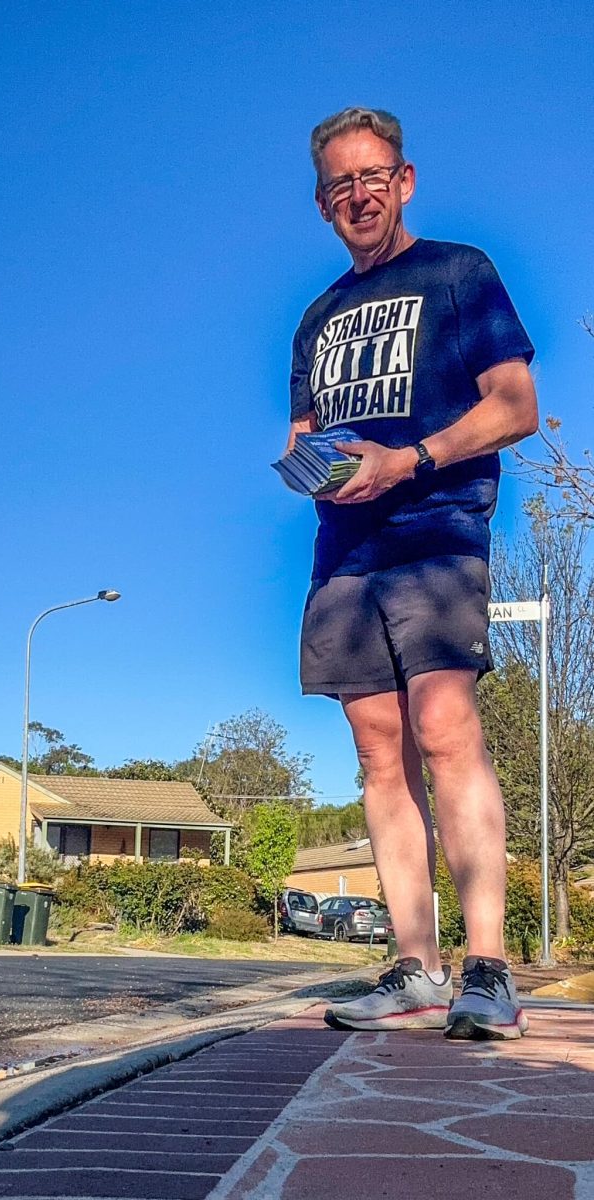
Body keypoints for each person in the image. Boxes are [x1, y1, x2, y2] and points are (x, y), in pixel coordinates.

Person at [288, 107, 538, 1040]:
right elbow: (305, 436)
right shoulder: (315, 319)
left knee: (443, 729)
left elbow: (514, 405)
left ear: (404, 180)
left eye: (373, 176)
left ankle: (486, 970)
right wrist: (311, 466)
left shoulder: (458, 273)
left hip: (435, 529)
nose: (358, 194)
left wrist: (413, 459)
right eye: (339, 184)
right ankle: (414, 967)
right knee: (375, 750)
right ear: (322, 204)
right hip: (344, 551)